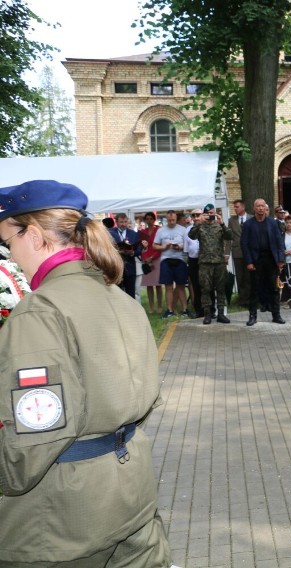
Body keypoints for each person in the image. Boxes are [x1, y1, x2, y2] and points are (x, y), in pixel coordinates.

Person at [0, 180, 173, 566]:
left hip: (64, 519)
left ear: (34, 235)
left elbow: (37, 436)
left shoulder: (42, 312)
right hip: (131, 496)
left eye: (8, 241)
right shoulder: (121, 299)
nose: (10, 255)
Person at [241, 198, 286, 326]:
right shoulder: (248, 224)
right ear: (254, 208)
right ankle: (252, 316)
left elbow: (279, 242)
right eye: (258, 206)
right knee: (254, 289)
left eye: (262, 206)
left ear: (266, 208)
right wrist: (248, 261)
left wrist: (280, 259)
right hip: (256, 260)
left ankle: (276, 315)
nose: (260, 208)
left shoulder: (273, 223)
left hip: (271, 260)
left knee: (274, 288)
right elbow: (244, 244)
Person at [188, 203, 232, 324]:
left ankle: (221, 314)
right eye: (207, 214)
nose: (209, 216)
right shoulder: (200, 227)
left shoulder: (220, 226)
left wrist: (222, 223)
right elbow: (191, 235)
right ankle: (207, 314)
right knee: (205, 289)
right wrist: (198, 222)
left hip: (219, 262)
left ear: (215, 212)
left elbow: (230, 236)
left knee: (221, 289)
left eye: (211, 213)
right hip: (205, 263)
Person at [153, 210, 189, 318]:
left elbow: (187, 245)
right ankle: (169, 310)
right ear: (166, 219)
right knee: (168, 286)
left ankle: (185, 310)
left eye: (173, 220)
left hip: (180, 260)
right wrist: (163, 247)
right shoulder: (161, 230)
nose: (171, 222)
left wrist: (180, 247)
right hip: (166, 260)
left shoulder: (183, 230)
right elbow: (154, 246)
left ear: (176, 219)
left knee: (181, 286)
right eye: (169, 220)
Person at [109, 212, 142, 298]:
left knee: (130, 293)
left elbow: (139, 250)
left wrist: (132, 252)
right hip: (116, 267)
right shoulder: (110, 232)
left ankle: (131, 311)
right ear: (116, 222)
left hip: (130, 267)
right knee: (117, 293)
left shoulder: (133, 234)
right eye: (121, 222)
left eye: (125, 222)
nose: (123, 224)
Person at [228, 199, 251, 307]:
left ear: (243, 207)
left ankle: (250, 298)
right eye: (234, 207)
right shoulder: (232, 220)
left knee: (249, 277)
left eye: (237, 207)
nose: (235, 209)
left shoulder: (251, 218)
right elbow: (229, 238)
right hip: (237, 252)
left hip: (250, 253)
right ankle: (242, 300)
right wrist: (226, 253)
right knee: (240, 277)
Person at [139, 211, 164, 314]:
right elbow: (141, 247)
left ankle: (159, 306)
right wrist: (146, 259)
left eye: (151, 219)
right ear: (145, 220)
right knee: (149, 285)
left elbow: (160, 247)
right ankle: (151, 307)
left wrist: (152, 257)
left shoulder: (159, 231)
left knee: (158, 284)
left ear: (154, 220)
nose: (149, 221)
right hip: (145, 260)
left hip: (157, 258)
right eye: (147, 219)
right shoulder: (142, 232)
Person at [185, 209, 204, 318]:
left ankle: (210, 309)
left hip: (205, 261)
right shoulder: (188, 230)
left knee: (207, 286)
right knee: (196, 286)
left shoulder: (207, 227)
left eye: (198, 215)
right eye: (194, 216)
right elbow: (186, 250)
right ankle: (198, 310)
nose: (196, 218)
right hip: (193, 261)